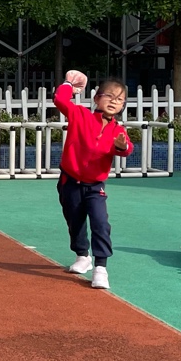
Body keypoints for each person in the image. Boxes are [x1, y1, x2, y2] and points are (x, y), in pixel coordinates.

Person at [54, 70, 133, 290]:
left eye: (119, 99)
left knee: (100, 223)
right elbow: (60, 100)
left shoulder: (118, 130)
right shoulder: (80, 115)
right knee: (75, 221)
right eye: (109, 96)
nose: (114, 101)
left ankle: (101, 268)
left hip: (95, 187)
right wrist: (69, 85)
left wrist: (122, 147)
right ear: (97, 98)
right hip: (70, 182)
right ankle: (82, 255)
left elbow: (127, 149)